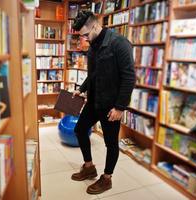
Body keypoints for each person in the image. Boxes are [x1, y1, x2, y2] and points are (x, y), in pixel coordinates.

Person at [71, 11, 136, 195]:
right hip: (93, 100)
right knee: (79, 129)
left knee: (110, 143)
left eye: (85, 34)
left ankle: (107, 178)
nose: (84, 39)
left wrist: (120, 107)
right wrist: (81, 89)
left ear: (95, 26)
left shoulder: (119, 43)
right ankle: (89, 167)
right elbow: (93, 74)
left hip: (111, 106)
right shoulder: (92, 46)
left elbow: (129, 77)